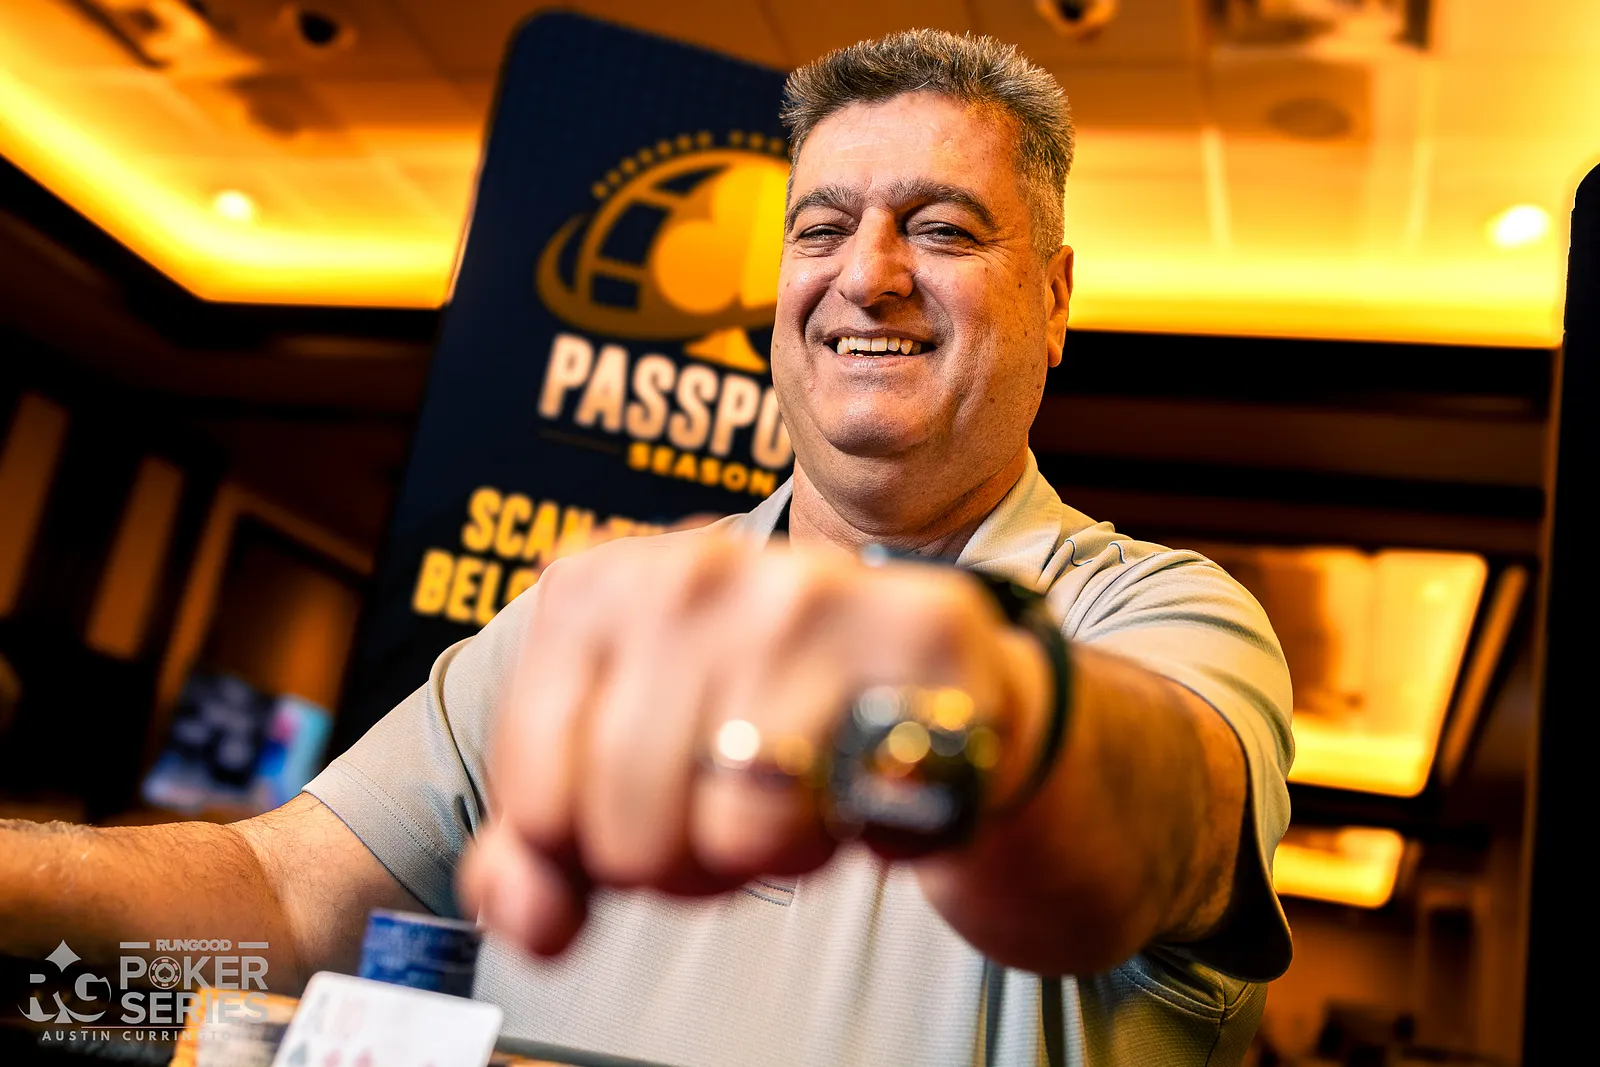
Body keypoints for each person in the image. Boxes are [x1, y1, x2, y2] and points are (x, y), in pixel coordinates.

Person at [0, 29, 1293, 1067]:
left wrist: (949, 696)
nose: (869, 274)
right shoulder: (593, 607)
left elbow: (1155, 830)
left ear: (1054, 298)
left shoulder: (1160, 612)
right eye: (821, 228)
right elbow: (285, 901)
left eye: (944, 228)